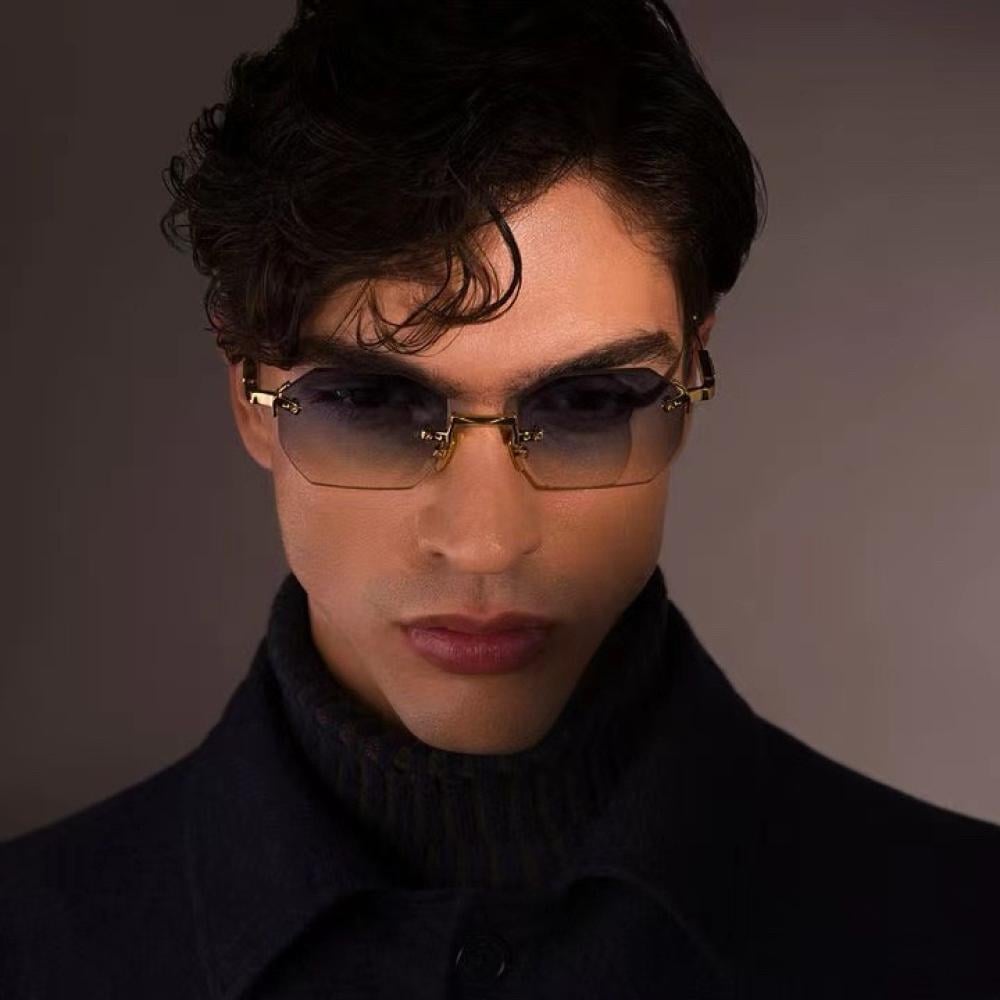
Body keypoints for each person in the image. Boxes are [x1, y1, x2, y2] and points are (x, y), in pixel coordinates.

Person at [2, 0, 997, 996]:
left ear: (692, 375)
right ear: (248, 396)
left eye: (587, 402)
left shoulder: (967, 933)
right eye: (371, 402)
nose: (483, 543)